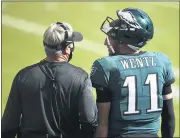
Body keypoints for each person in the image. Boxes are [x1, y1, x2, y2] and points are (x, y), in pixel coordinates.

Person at [2, 22, 98, 138]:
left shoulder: (23, 76)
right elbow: (89, 120)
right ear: (68, 48)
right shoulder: (80, 77)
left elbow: (8, 124)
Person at [90, 8, 175, 138]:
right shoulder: (162, 61)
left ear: (124, 39)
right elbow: (169, 118)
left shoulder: (107, 66)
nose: (106, 41)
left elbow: (102, 126)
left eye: (113, 35)